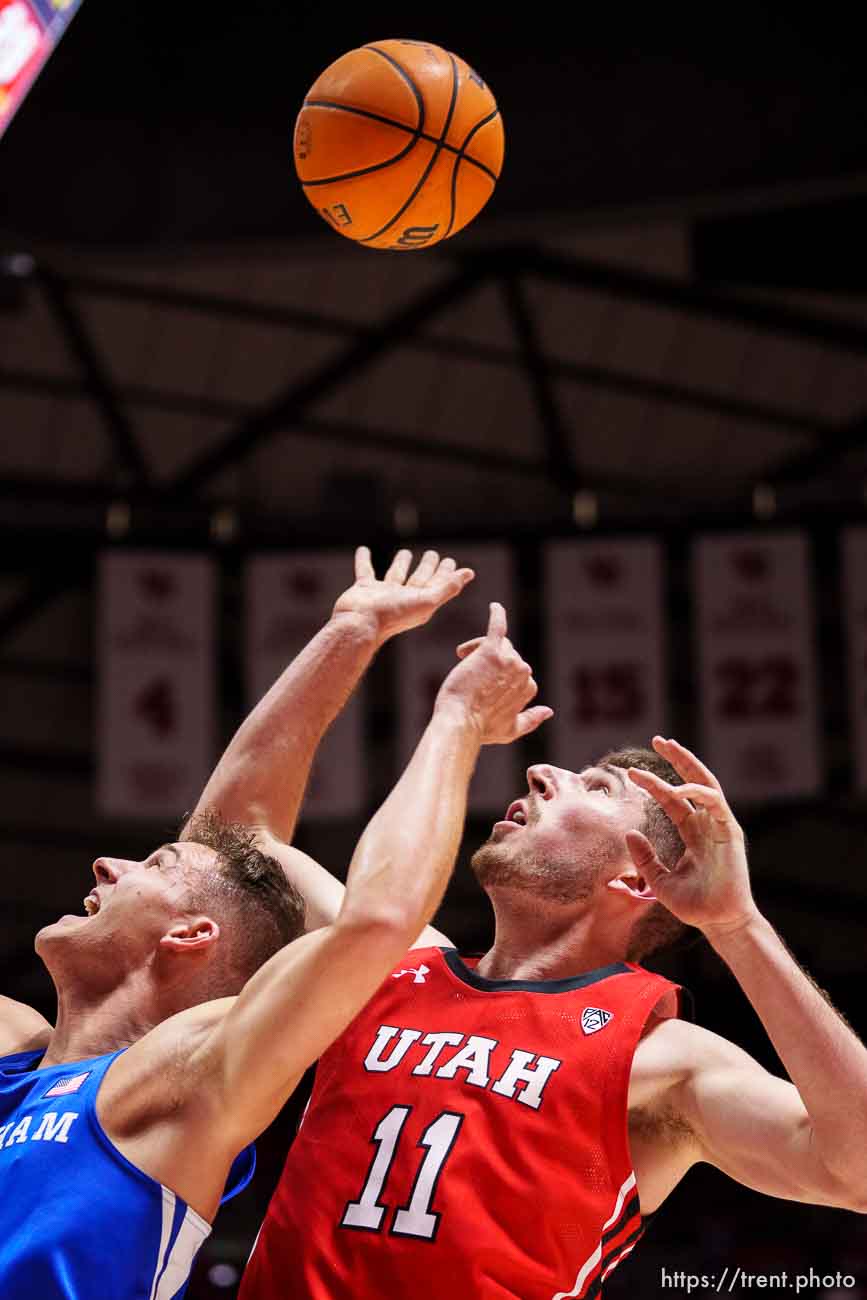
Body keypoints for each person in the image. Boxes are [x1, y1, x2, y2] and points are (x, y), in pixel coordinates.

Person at [211, 560, 867, 1300]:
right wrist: (349, 634)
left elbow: (856, 1171)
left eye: (596, 788)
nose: (541, 772)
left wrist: (738, 925)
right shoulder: (382, 964)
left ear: (637, 879)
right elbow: (228, 847)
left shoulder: (660, 1055)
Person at [0, 547, 550, 1300]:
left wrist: (454, 721)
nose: (103, 865)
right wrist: (350, 630)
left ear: (190, 936)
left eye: (151, 866)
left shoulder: (184, 1077)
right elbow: (233, 831)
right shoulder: (15, 1054)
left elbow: (378, 919)